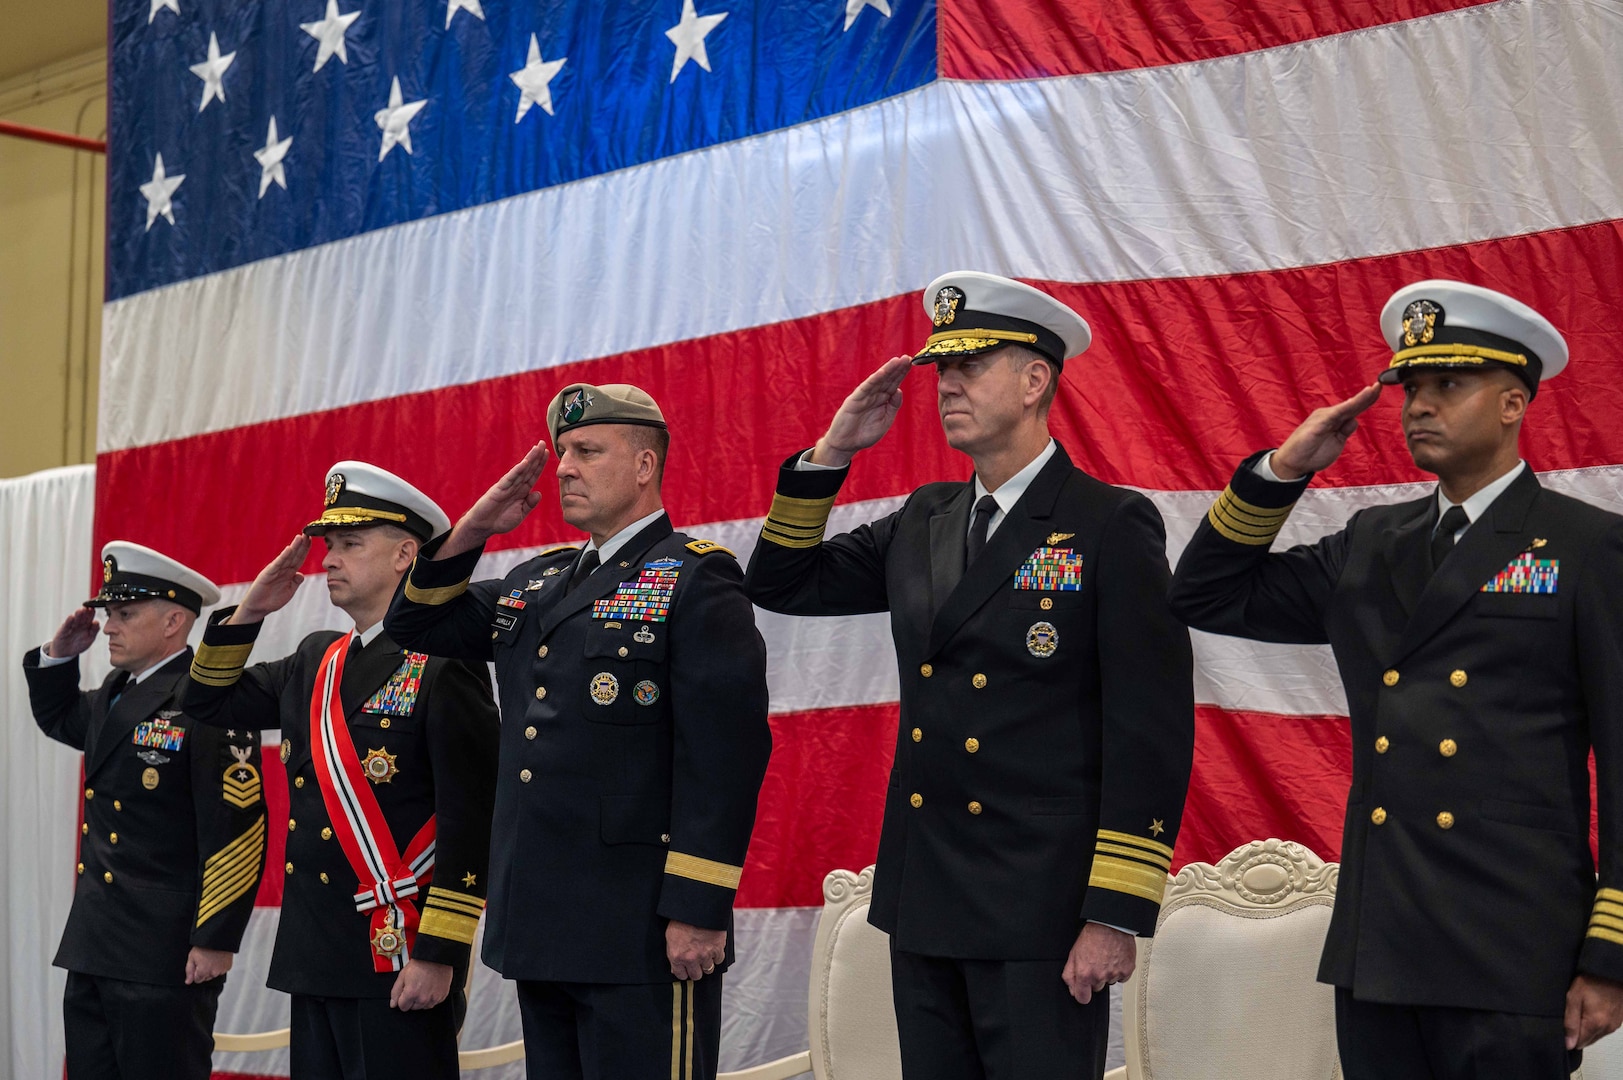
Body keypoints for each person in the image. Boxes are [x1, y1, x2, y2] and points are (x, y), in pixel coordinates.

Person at [743, 271, 1195, 1079]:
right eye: (941, 369)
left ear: (1033, 381)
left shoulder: (1107, 522)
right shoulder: (924, 518)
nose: (946, 384)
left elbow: (1150, 727)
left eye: (971, 366)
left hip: (1041, 904)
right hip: (927, 891)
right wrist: (833, 451)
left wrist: (1113, 913)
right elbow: (781, 582)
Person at [1167, 280, 1623, 1078]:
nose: (1419, 405)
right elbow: (1206, 593)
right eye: (1412, 388)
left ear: (1513, 402)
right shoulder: (1373, 541)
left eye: (1449, 385)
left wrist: (1610, 953)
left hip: (1511, 944)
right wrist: (1282, 468)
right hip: (1382, 940)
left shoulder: (1584, 548)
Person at [385, 383, 772, 1080]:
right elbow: (412, 624)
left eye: (587, 451)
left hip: (641, 923)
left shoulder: (694, 578)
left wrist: (698, 906)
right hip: (541, 917)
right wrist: (473, 529)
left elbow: (726, 754)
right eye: (562, 451)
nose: (564, 467)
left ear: (645, 464)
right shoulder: (537, 581)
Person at [183, 461, 499, 1080]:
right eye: (331, 544)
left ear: (407, 554)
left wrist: (439, 954)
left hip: (397, 950)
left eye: (351, 544)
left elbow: (471, 819)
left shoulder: (443, 663)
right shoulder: (313, 660)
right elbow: (205, 703)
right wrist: (251, 610)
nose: (329, 559)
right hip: (316, 949)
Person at [23, 542, 263, 1080]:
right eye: (110, 613)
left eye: (125, 613)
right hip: (96, 941)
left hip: (165, 950)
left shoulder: (210, 695)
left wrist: (216, 937)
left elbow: (237, 829)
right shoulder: (115, 690)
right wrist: (60, 656)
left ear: (174, 621)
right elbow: (60, 717)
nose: (109, 626)